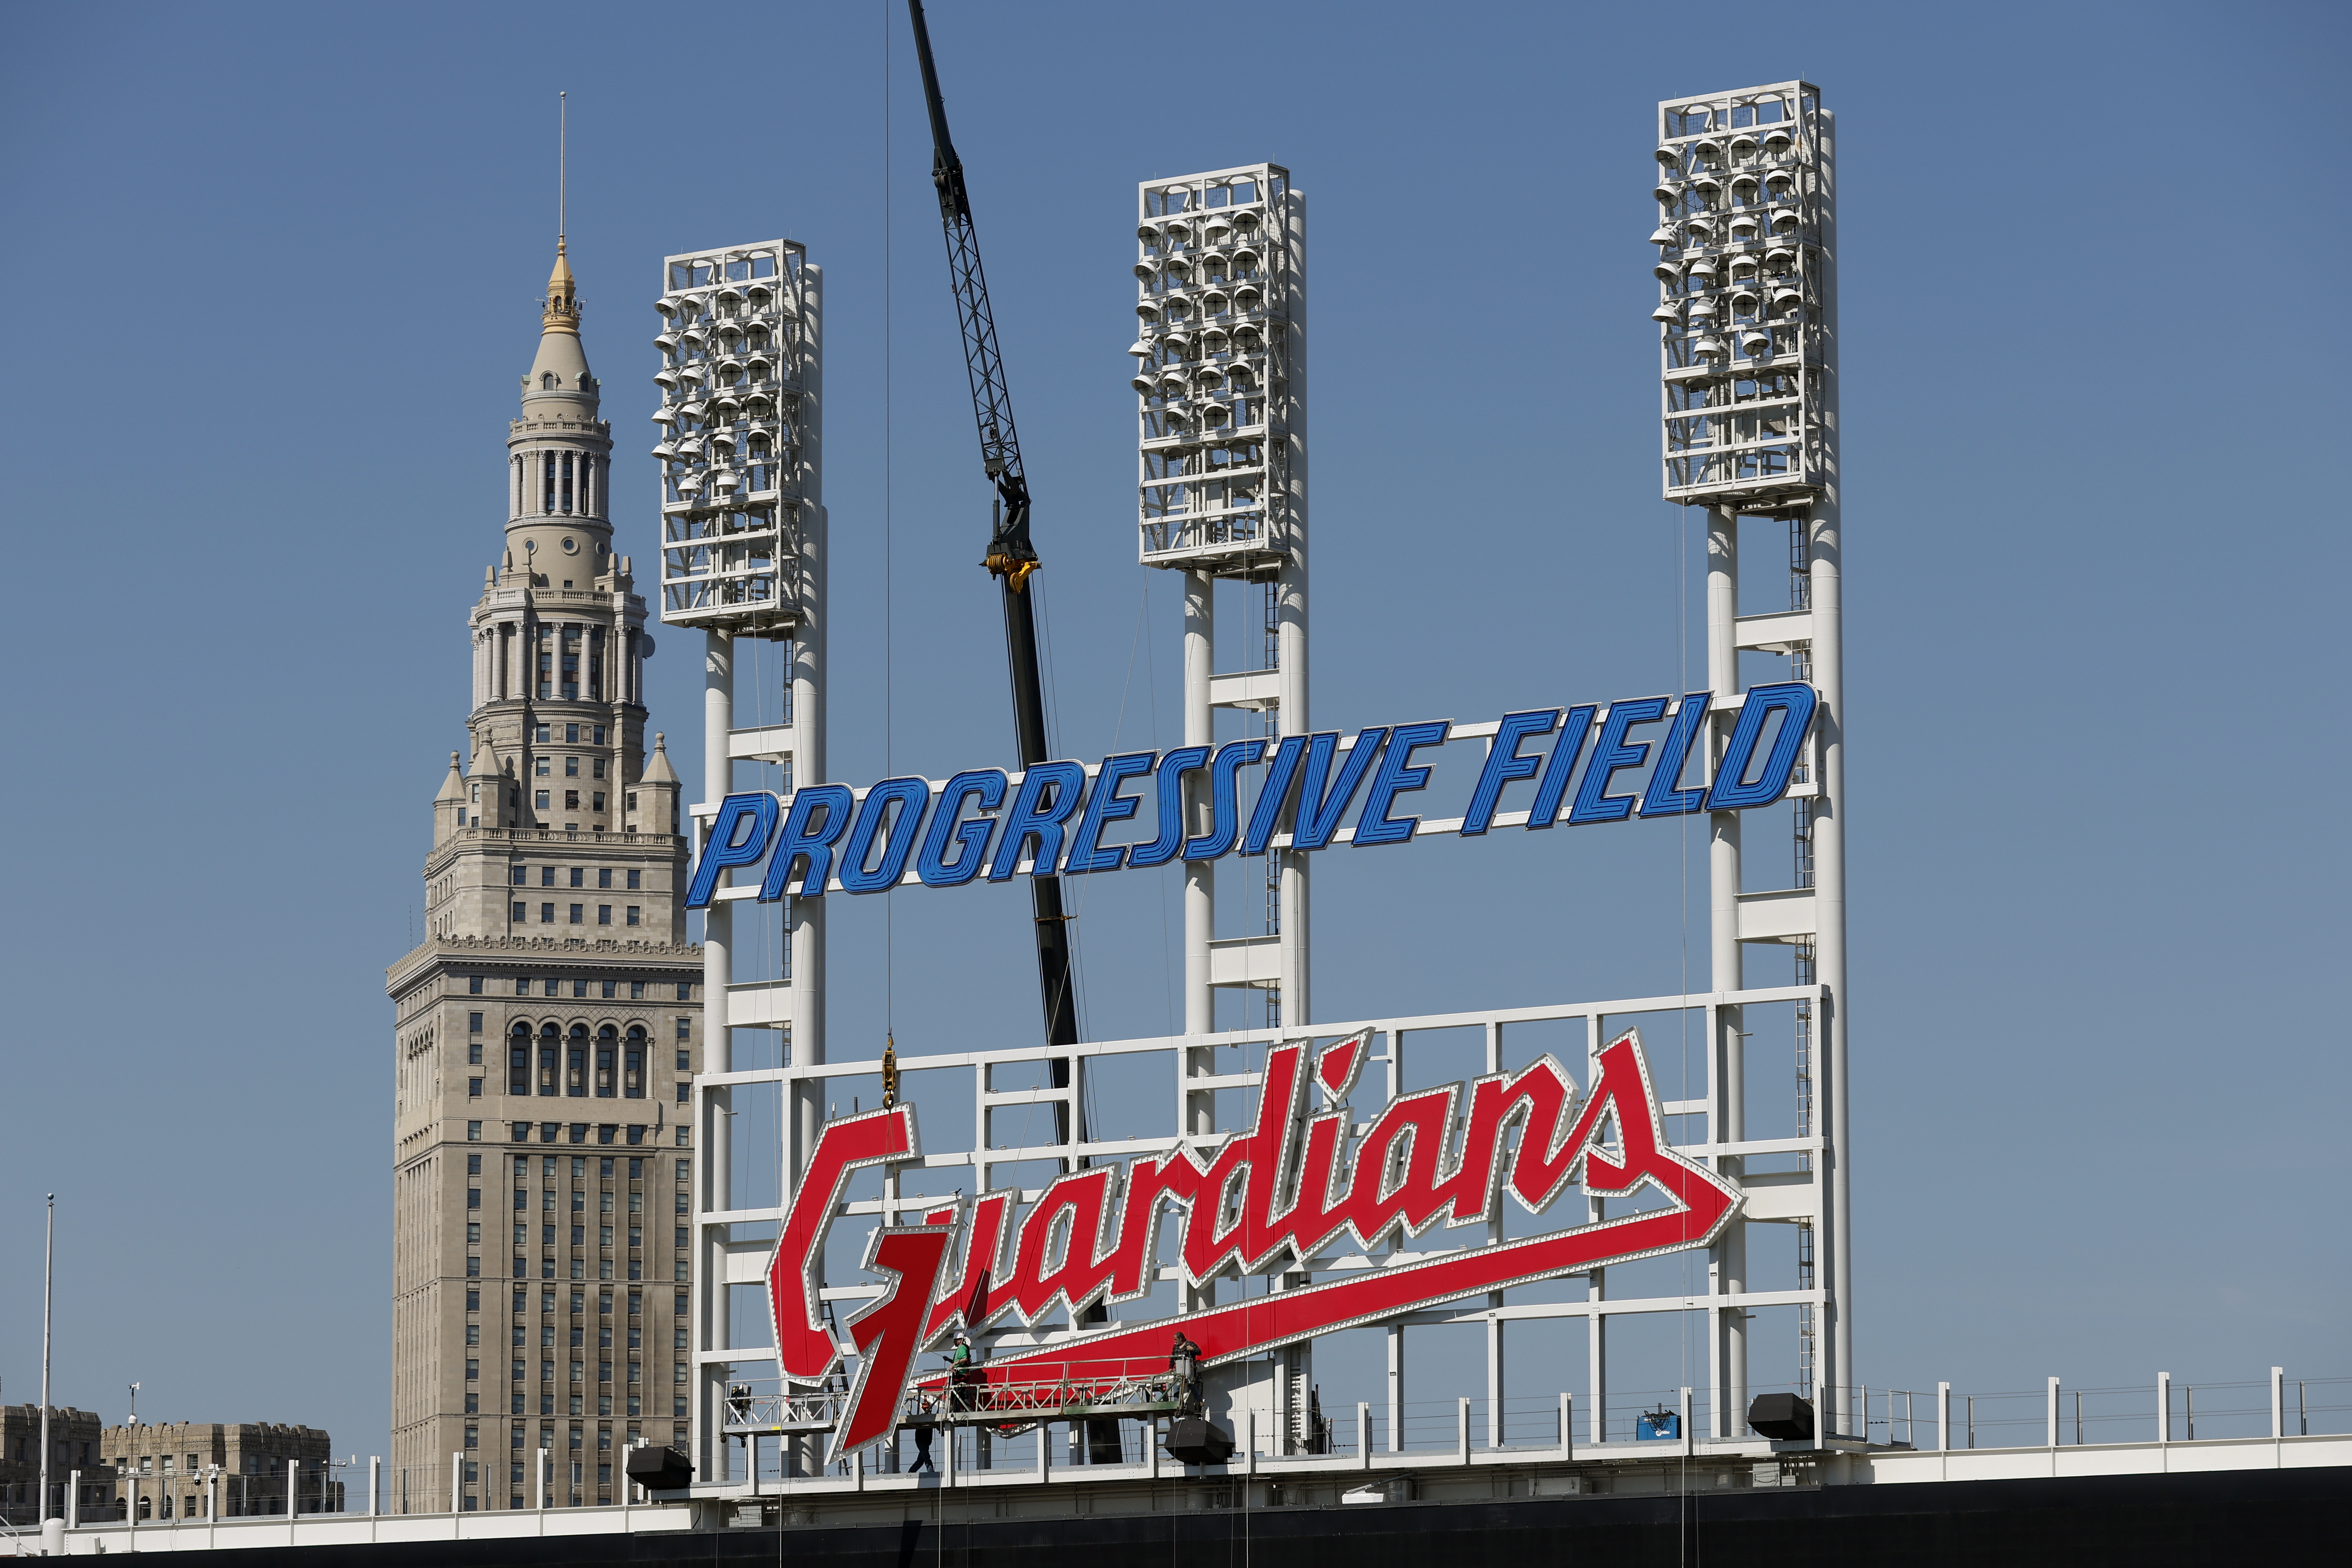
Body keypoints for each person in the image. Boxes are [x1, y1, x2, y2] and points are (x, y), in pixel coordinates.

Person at [1168, 1330, 1201, 1413]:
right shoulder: (1176, 1347)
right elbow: (1173, 1357)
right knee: (1176, 1384)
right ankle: (1176, 1400)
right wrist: (1170, 1368)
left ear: (1180, 1338)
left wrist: (1193, 1349)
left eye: (1176, 1340)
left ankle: (1199, 1400)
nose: (1175, 1341)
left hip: (1188, 1370)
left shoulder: (1190, 1344)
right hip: (1179, 1369)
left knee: (1191, 1384)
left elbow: (1199, 1352)